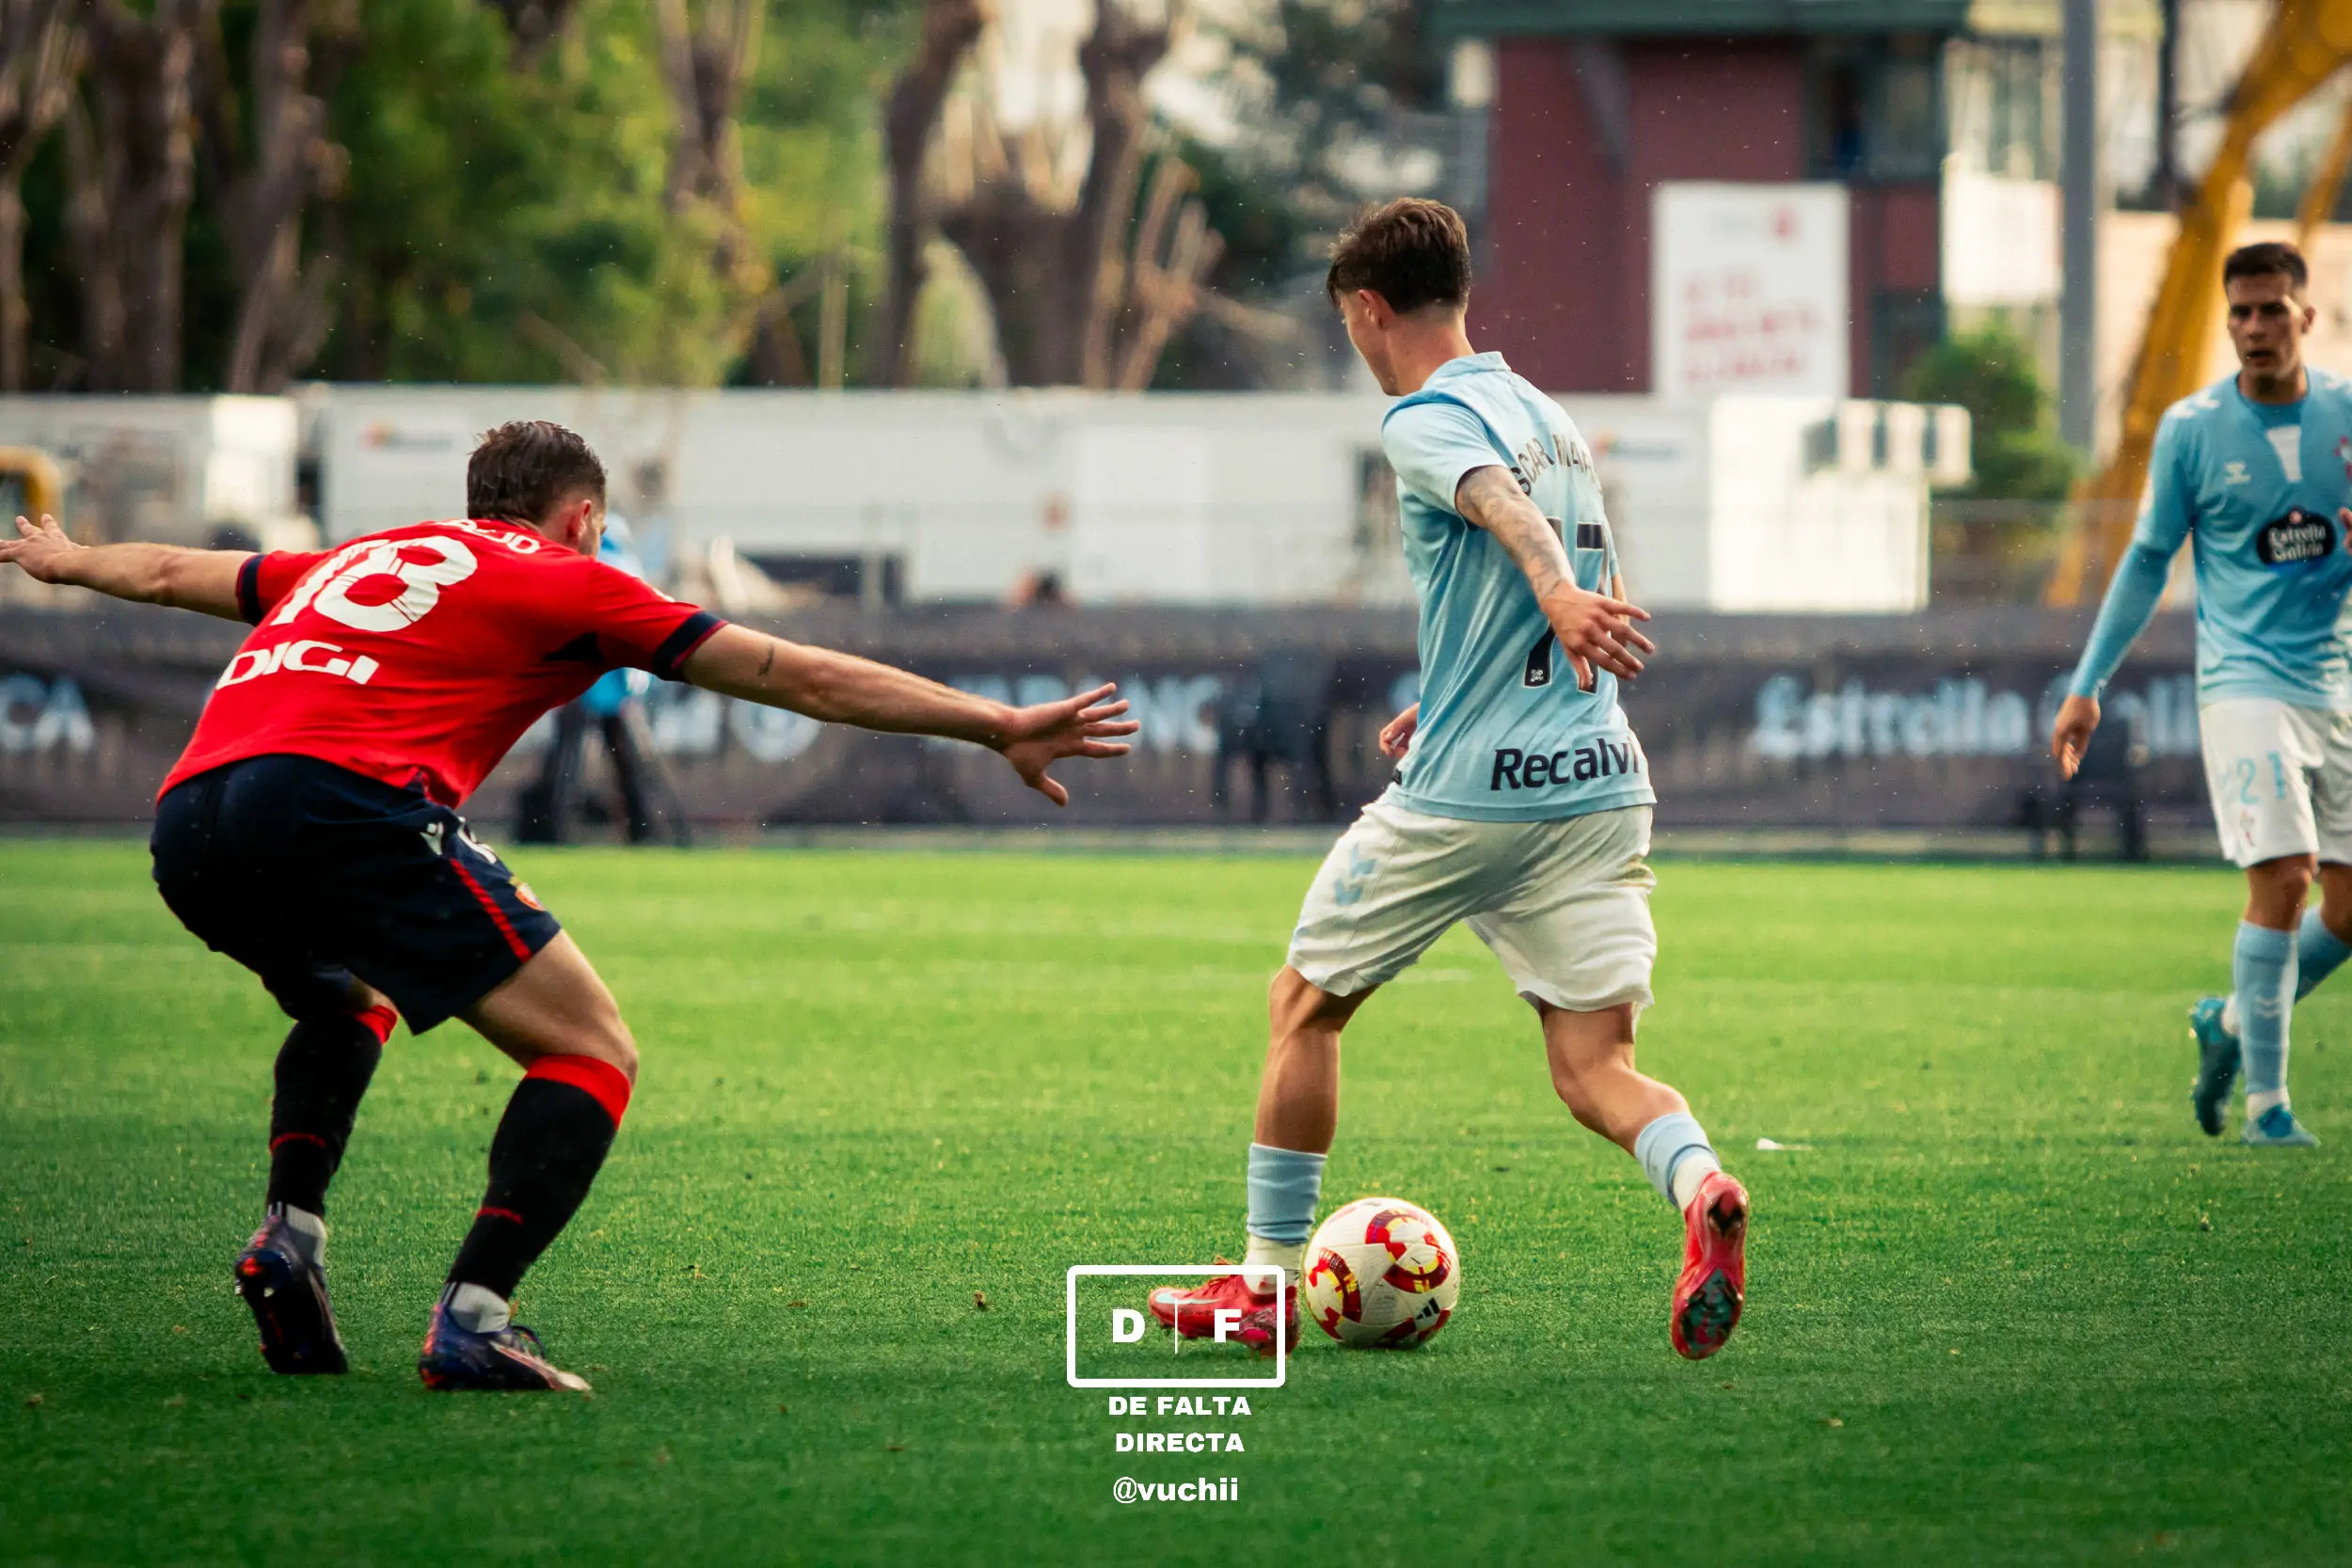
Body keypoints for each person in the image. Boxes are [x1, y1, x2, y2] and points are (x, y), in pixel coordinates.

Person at [0, 420, 1136, 1390]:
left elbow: (168, 575)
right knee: (591, 1050)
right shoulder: (569, 577)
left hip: (191, 815)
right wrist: (994, 722)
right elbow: (795, 673)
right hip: (340, 801)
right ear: (582, 515)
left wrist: (69, 557)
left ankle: (290, 1236)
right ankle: (476, 1319)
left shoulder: (369, 553)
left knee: (351, 994)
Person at [1143, 199, 1749, 1360]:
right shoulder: (1551, 416)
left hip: (1475, 794)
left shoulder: (1424, 417)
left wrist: (1554, 605)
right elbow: (1558, 559)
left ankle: (1267, 1283)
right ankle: (1703, 1189)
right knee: (1594, 1068)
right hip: (1595, 778)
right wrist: (1477, 668)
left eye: (1348, 328)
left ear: (1367, 310)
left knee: (1304, 1003)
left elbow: (1500, 513)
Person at [2053, 241, 2352, 1149]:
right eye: (2240, 313)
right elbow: (2149, 559)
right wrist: (2087, 684)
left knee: (2345, 908)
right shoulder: (2193, 428)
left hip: (2336, 683)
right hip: (2243, 683)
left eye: (2271, 310)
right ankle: (2269, 1108)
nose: (2254, 328)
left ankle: (2228, 1021)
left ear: (2306, 315)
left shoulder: (2346, 414)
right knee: (2286, 874)